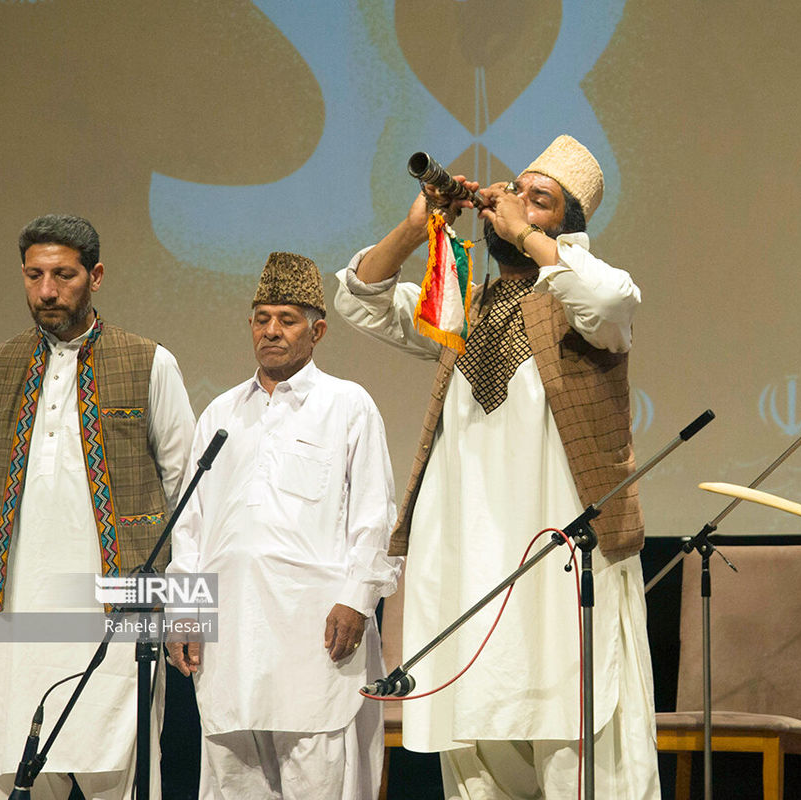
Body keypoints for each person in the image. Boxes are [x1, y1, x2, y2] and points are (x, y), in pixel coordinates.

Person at [334, 135, 661, 799]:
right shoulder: (466, 303)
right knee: (476, 763)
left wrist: (531, 236)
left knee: (577, 756)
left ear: (568, 228)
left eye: (538, 200)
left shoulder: (586, 296)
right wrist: (419, 224)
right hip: (471, 579)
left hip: (561, 577)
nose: (511, 203)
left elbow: (605, 301)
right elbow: (362, 298)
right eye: (512, 190)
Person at [165, 251, 401, 800]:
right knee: (232, 784)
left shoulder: (347, 405)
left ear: (317, 331)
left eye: (287, 320)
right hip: (231, 647)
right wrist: (183, 611)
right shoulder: (220, 413)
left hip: (316, 639)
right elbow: (190, 532)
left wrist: (357, 600)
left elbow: (375, 516)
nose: (272, 331)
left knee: (319, 780)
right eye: (262, 318)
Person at [0, 214, 195, 799]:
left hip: (120, 609)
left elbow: (189, 497)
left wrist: (188, 615)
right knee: (8, 766)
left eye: (63, 275)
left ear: (95, 276)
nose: (47, 290)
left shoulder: (150, 361)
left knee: (117, 774)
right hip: (13, 608)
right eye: (34, 275)